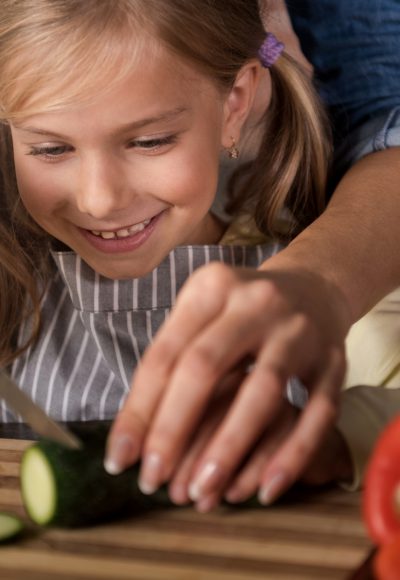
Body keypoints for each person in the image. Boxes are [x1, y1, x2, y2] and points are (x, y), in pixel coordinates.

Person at [0, 0, 396, 513]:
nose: (99, 199)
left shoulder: (354, 294)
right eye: (51, 150)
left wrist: (340, 442)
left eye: (149, 141)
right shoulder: (13, 281)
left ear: (235, 103)